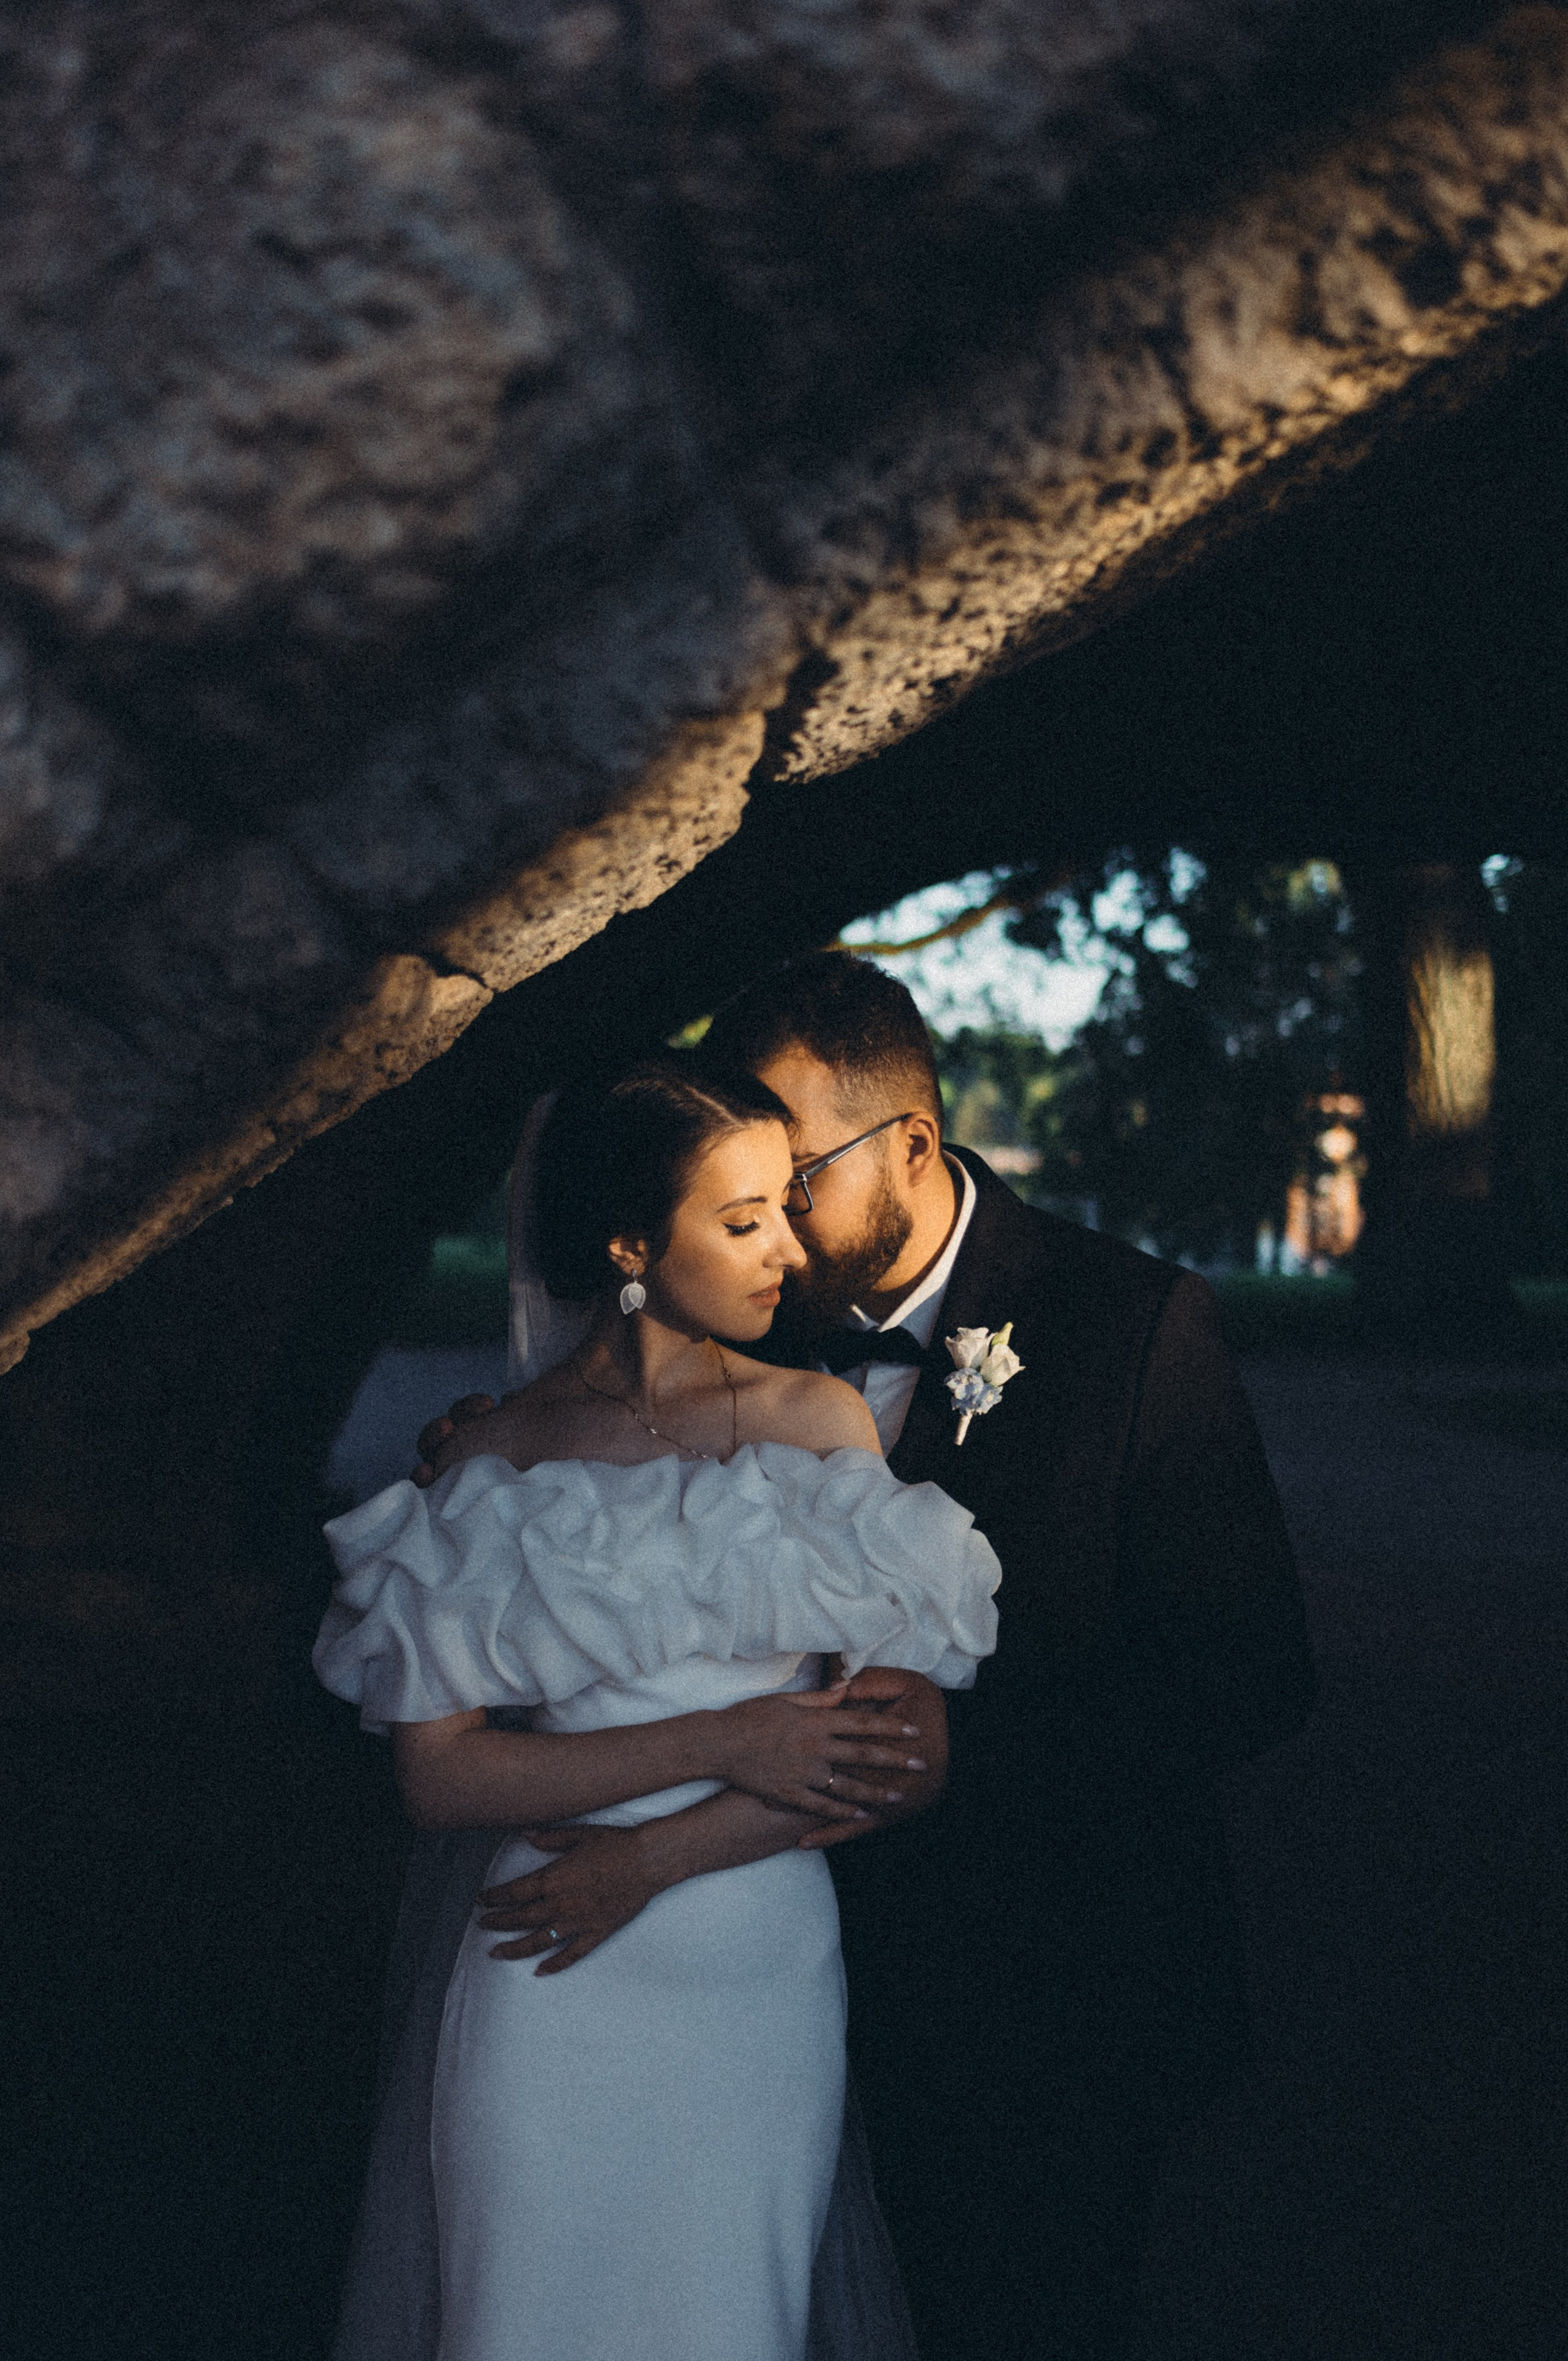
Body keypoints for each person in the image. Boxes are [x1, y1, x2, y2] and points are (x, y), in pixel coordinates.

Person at [430, 954, 1319, 2361]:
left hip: (1036, 1992)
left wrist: (973, 1746)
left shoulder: (1132, 1324)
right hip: (755, 1975)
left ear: (909, 1144)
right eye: (752, 1187)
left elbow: (1250, 1668)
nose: (773, 1219)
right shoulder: (732, 1310)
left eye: (801, 1174)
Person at [315, 1055, 1002, 2361]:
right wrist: (724, 1739)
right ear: (632, 1243)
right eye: (740, 1222)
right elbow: (441, 1779)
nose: (785, 1255)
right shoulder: (493, 1451)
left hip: (749, 1965)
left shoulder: (817, 1425)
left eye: (783, 1212)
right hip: (542, 1961)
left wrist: (653, 1853)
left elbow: (892, 1751)